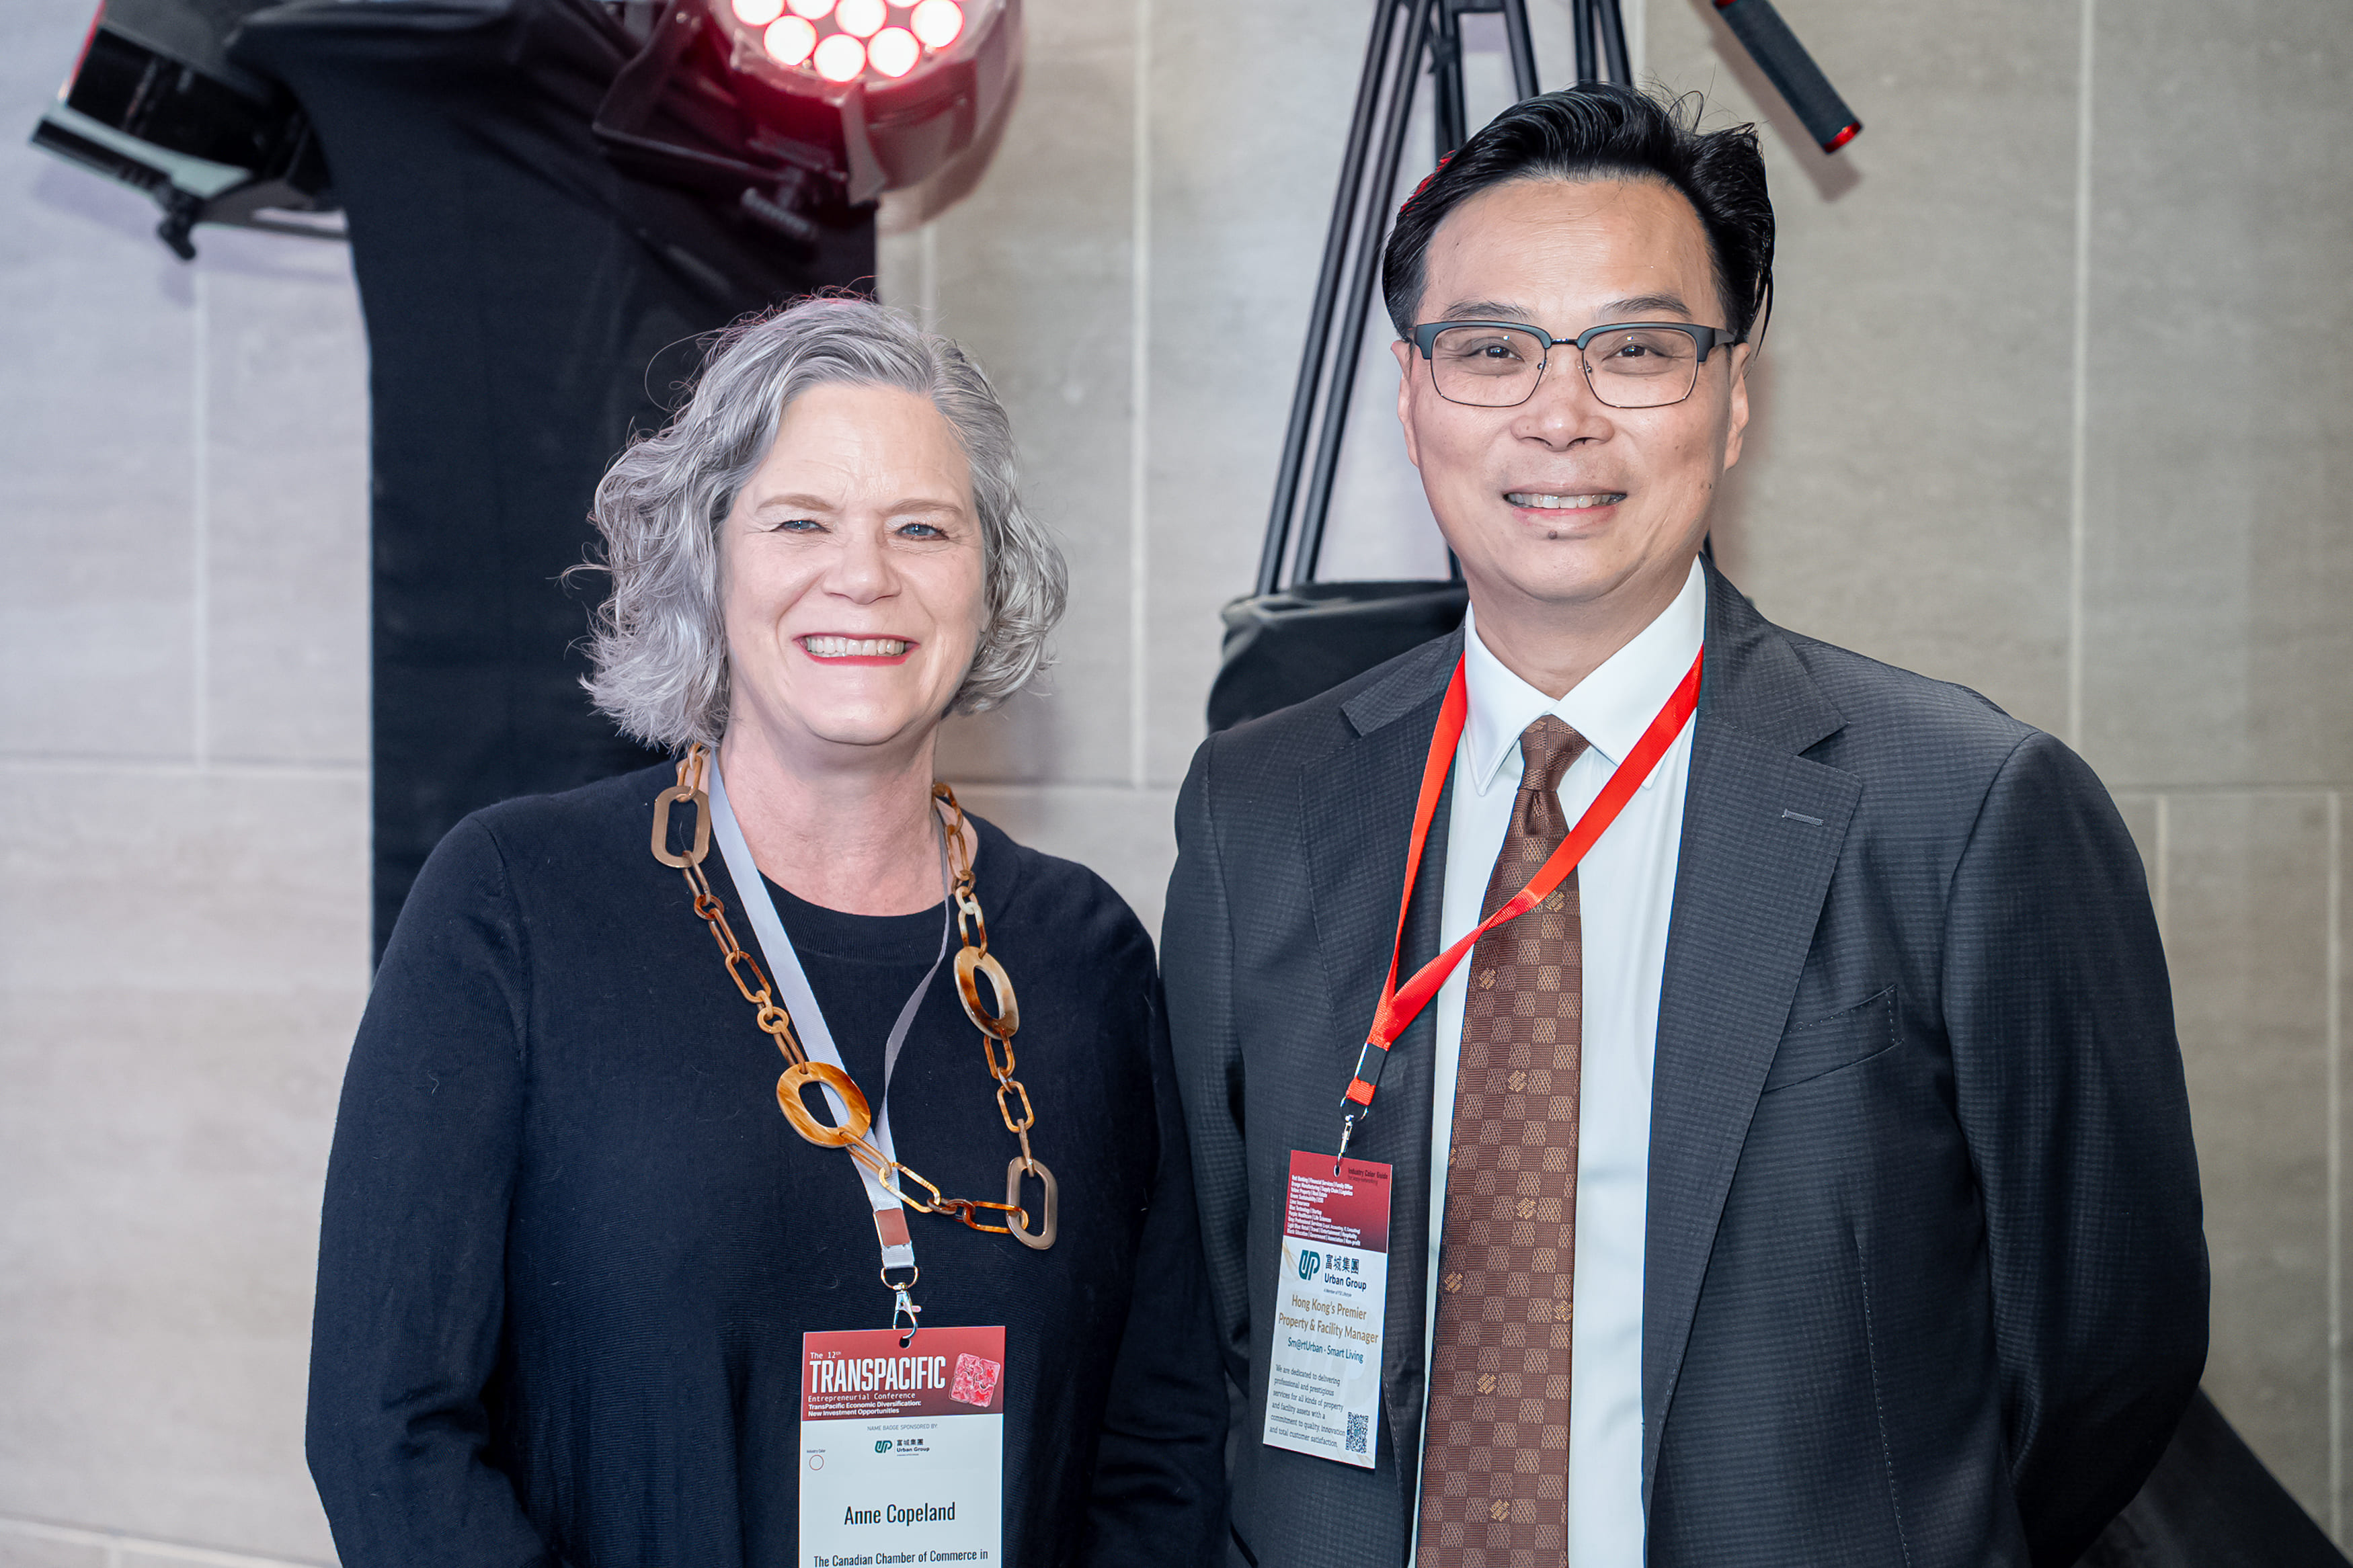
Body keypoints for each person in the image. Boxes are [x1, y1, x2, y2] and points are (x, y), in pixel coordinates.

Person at [1161, 86, 2204, 1568]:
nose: (1559, 414)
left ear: (1733, 395)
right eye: (1491, 349)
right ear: (1411, 395)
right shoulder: (1257, 806)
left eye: (1636, 350)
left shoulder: (1965, 810)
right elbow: (1216, 1301)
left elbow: (2103, 1352)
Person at [307, 298, 1227, 1567]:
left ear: (990, 577)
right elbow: (388, 1431)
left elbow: (1162, 1436)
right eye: (801, 521)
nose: (866, 574)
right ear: (707, 560)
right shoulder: (515, 903)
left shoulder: (1086, 955)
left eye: (923, 527)